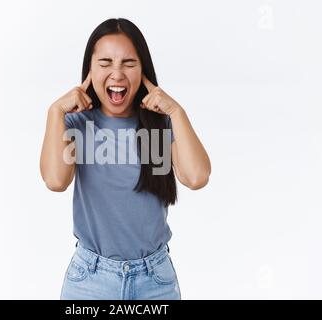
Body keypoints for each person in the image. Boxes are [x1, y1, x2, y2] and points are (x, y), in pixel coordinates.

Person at [40, 18, 211, 300]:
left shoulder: (160, 124)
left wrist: (177, 113)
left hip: (155, 280)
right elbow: (55, 180)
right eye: (105, 63)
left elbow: (197, 177)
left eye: (129, 63)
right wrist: (54, 112)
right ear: (90, 70)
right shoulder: (75, 122)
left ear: (143, 70)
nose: (117, 74)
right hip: (90, 279)